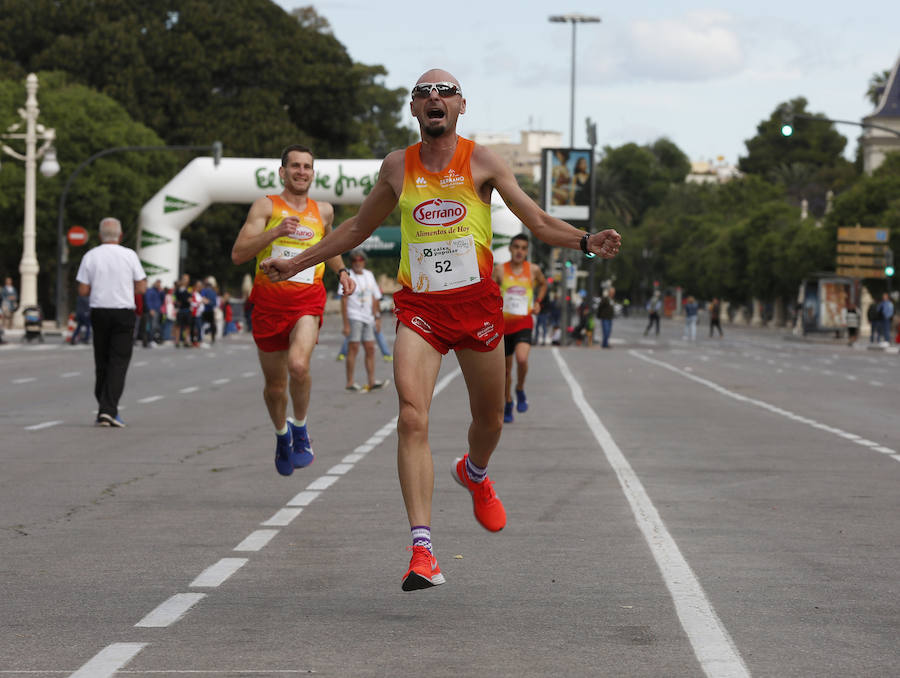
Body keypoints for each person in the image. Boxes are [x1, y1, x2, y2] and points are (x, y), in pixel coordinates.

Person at [260, 69, 621, 591]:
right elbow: (357, 229)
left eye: (445, 92)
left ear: (461, 106)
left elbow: (537, 223)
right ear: (413, 109)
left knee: (490, 421)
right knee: (411, 417)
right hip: (421, 310)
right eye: (424, 93)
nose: (435, 98)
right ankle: (422, 549)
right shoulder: (395, 167)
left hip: (476, 309)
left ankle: (474, 473)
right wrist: (298, 264)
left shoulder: (482, 161)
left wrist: (586, 241)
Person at [231, 144, 355, 477]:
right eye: (295, 166)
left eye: (307, 167)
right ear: (282, 172)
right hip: (269, 303)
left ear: (313, 173)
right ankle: (281, 434)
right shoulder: (266, 206)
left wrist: (341, 272)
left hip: (306, 300)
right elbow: (239, 254)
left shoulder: (324, 211)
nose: (302, 172)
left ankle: (300, 428)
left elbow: (330, 246)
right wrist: (275, 231)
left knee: (298, 365)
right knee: (275, 387)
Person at [75, 217, 147, 427]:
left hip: (99, 311)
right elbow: (141, 287)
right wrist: (124, 287)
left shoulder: (90, 256)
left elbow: (82, 290)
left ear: (99, 236)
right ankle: (109, 410)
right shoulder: (129, 255)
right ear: (121, 236)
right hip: (123, 312)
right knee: (119, 361)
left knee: (102, 361)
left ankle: (103, 409)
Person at [493, 233, 547, 423]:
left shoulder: (532, 270)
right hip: (504, 325)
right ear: (510, 248)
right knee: (506, 371)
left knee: (522, 359)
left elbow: (543, 284)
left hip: (524, 322)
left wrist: (538, 301)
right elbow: (490, 291)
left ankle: (520, 389)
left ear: (527, 251)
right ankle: (508, 402)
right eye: (516, 247)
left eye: (523, 248)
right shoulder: (500, 270)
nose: (519, 251)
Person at [339, 248, 389, 392]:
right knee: (353, 349)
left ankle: (372, 381)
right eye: (354, 260)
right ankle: (350, 382)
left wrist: (377, 318)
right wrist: (346, 324)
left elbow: (375, 298)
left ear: (364, 261)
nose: (357, 262)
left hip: (368, 318)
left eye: (360, 259)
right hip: (354, 316)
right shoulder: (347, 275)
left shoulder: (369, 275)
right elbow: (344, 300)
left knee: (370, 349)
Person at [173, 274, 193, 347]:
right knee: (178, 326)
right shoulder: (178, 289)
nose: (185, 280)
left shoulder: (189, 289)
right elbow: (175, 298)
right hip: (180, 310)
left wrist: (187, 299)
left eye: (187, 279)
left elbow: (190, 298)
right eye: (184, 279)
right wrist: (177, 302)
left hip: (187, 310)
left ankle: (186, 341)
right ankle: (177, 341)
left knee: (187, 326)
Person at [142, 279, 163, 347]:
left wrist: (162, 292)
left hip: (157, 310)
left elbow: (162, 299)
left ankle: (152, 340)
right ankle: (149, 340)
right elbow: (148, 300)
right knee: (151, 326)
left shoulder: (158, 291)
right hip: (152, 311)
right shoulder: (150, 291)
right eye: (158, 283)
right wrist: (151, 309)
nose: (159, 285)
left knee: (154, 326)